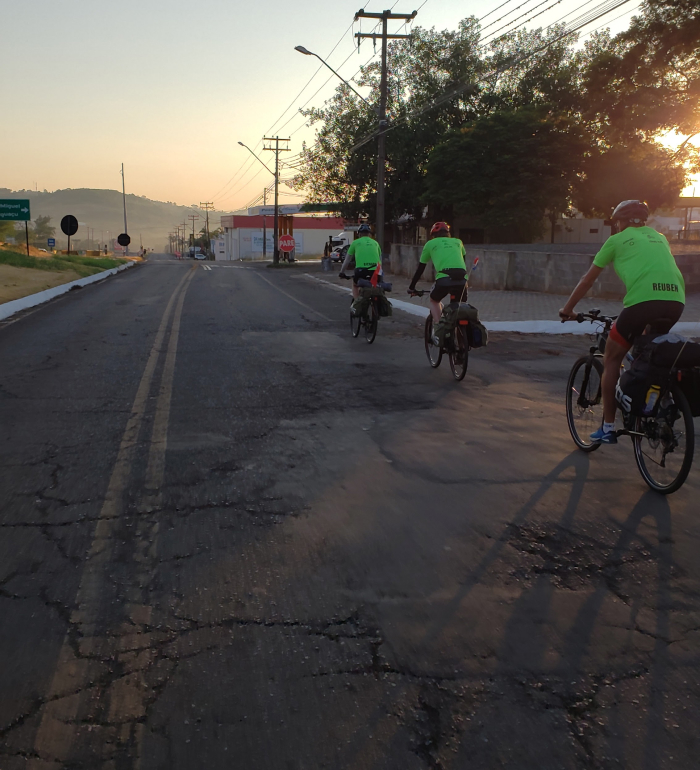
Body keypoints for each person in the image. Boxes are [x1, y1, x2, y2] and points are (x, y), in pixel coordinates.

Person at [559, 200, 685, 444]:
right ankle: (663, 404)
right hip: (676, 302)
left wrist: (568, 309)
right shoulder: (660, 237)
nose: (616, 225)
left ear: (623, 221)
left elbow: (587, 280)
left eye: (617, 221)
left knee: (612, 357)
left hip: (643, 303)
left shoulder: (616, 241)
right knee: (648, 354)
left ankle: (607, 427)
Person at [408, 222, 468, 328]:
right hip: (462, 279)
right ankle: (461, 339)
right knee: (459, 308)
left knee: (434, 300)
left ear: (433, 235)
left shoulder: (430, 244)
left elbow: (420, 269)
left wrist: (412, 287)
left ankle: (439, 327)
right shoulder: (458, 242)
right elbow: (463, 261)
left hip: (444, 279)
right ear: (448, 233)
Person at [339, 224, 382, 300]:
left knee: (355, 285)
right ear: (369, 234)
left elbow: (347, 260)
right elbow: (380, 259)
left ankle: (357, 303)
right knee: (377, 285)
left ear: (359, 234)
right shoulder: (375, 243)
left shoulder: (355, 243)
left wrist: (341, 272)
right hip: (376, 271)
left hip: (361, 271)